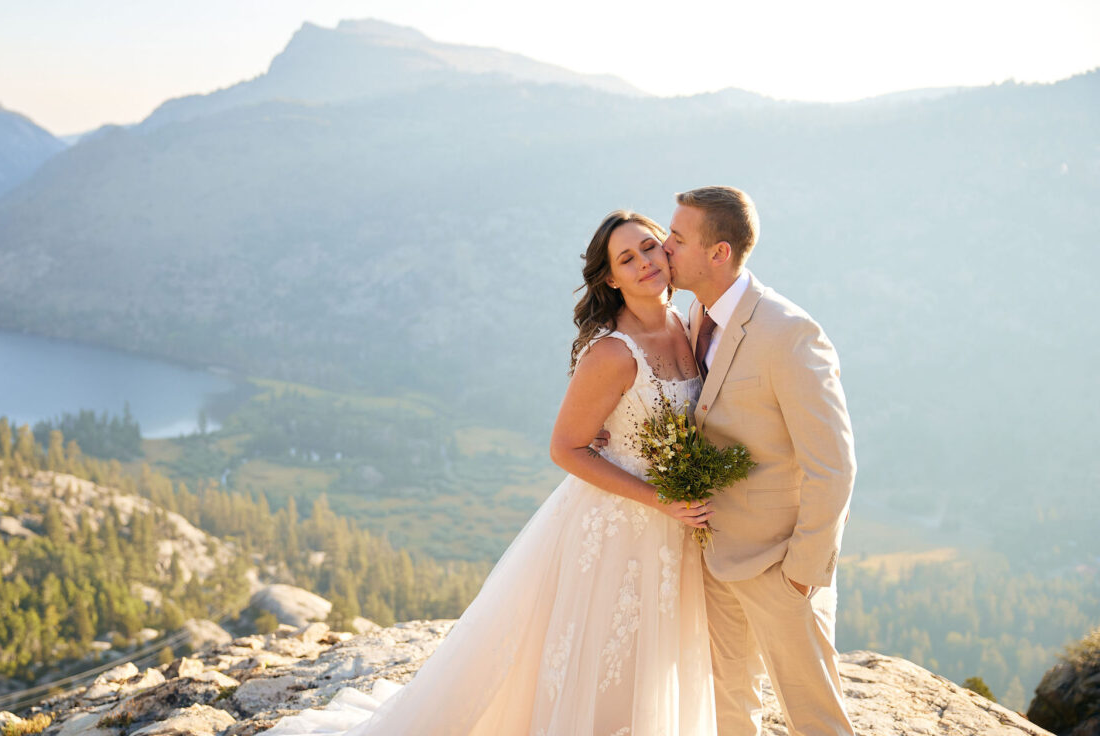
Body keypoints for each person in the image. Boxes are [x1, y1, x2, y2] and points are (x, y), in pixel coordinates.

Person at [263, 210, 718, 735]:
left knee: (653, 657)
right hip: (620, 525)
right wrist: (660, 499)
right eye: (625, 258)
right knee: (603, 656)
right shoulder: (613, 353)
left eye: (648, 247)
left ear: (668, 249)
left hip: (672, 529)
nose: (642, 263)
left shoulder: (687, 323)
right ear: (611, 278)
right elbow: (566, 448)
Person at [662, 186, 856, 736]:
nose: (664, 246)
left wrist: (800, 576)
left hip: (778, 566)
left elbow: (834, 466)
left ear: (718, 253)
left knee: (816, 721)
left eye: (677, 238)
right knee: (729, 711)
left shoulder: (789, 333)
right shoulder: (697, 312)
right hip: (715, 554)